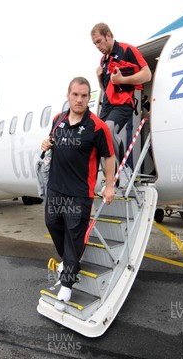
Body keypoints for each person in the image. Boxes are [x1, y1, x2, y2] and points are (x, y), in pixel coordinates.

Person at [41, 77, 116, 304]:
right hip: (55, 189)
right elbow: (52, 143)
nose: (80, 99)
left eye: (84, 96)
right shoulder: (58, 120)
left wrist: (110, 185)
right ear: (68, 95)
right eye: (76, 95)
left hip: (79, 193)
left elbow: (109, 156)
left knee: (74, 239)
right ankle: (70, 261)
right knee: (52, 224)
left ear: (89, 98)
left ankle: (67, 283)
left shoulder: (97, 127)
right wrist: (46, 144)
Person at [91, 22, 152, 174]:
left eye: (99, 41)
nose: (97, 46)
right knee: (98, 137)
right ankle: (111, 176)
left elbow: (147, 74)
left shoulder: (127, 50)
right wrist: (99, 78)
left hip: (124, 102)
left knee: (109, 130)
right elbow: (106, 88)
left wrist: (122, 80)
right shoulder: (103, 60)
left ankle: (124, 170)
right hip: (107, 105)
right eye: (94, 44)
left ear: (109, 35)